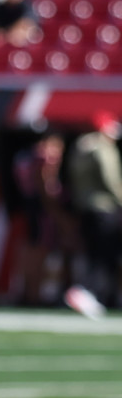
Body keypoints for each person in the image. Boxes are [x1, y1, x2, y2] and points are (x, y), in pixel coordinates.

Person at [64, 110, 122, 317]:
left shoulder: (80, 146)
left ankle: (87, 292)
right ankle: (91, 293)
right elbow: (110, 178)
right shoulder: (101, 147)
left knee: (91, 252)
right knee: (103, 255)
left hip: (85, 206)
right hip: (104, 207)